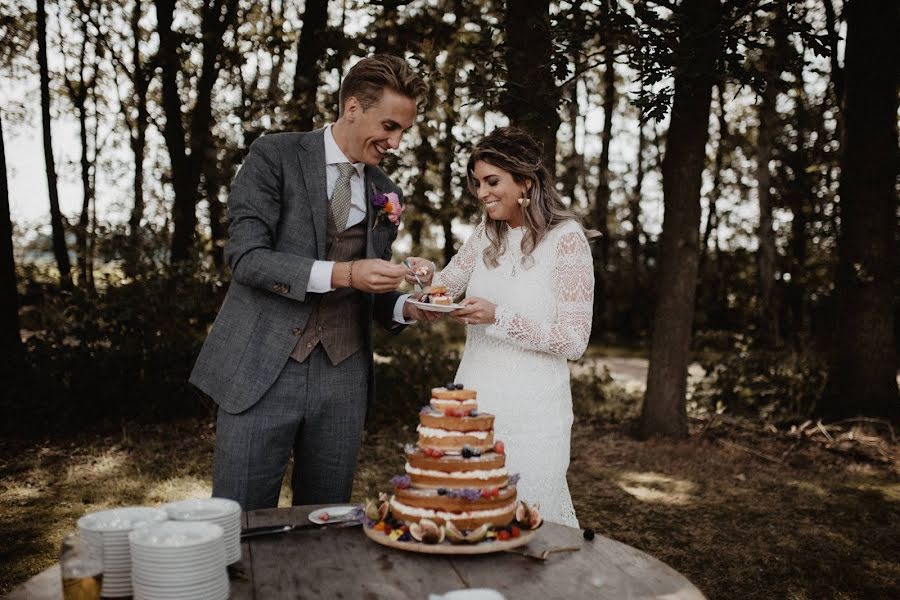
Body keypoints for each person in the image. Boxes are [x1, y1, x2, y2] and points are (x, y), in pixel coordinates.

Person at [189, 55, 436, 511]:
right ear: (352, 108)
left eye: (403, 130)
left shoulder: (387, 190)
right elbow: (246, 258)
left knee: (326, 523)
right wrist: (345, 273)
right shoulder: (275, 155)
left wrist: (410, 307)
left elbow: (370, 289)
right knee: (240, 519)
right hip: (261, 367)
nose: (396, 142)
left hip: (343, 379)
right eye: (388, 126)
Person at [434, 127, 594, 527]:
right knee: (467, 520)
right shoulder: (485, 234)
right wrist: (422, 277)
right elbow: (445, 287)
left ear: (525, 180)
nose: (482, 192)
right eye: (478, 183)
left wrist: (498, 317)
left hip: (533, 411)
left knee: (524, 525)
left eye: (492, 181)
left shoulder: (566, 239)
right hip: (473, 399)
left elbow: (574, 341)